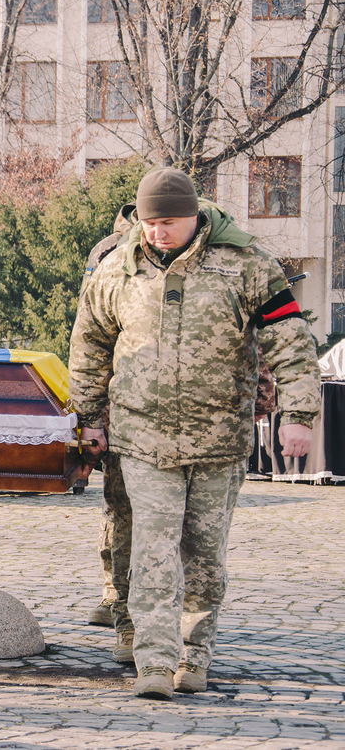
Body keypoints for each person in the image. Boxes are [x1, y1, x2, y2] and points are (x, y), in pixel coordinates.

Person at [69, 167, 320, 700]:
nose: (157, 232)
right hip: (143, 437)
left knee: (204, 556)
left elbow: (290, 341)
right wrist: (88, 416)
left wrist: (298, 414)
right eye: (149, 222)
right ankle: (155, 662)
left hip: (218, 439)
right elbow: (89, 344)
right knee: (153, 550)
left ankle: (193, 653)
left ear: (194, 216)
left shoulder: (247, 264)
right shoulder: (118, 268)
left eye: (169, 222)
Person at [76, 206, 135, 666]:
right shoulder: (109, 253)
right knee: (119, 508)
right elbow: (91, 328)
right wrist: (91, 412)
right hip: (119, 401)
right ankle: (115, 595)